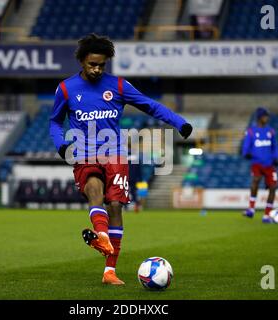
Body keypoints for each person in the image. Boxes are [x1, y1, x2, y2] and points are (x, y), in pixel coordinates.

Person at [49, 34, 193, 285]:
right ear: (82, 61)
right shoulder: (66, 89)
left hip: (115, 154)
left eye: (101, 65)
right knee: (94, 190)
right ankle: (102, 237)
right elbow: (54, 121)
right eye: (92, 64)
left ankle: (109, 271)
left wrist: (179, 123)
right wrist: (61, 145)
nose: (96, 69)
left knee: (115, 206)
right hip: (84, 153)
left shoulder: (117, 86)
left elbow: (149, 105)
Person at [242, 107, 278, 223]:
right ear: (259, 117)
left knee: (273, 187)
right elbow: (246, 145)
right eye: (264, 116)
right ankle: (251, 209)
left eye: (267, 116)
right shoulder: (251, 131)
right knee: (256, 179)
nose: (266, 118)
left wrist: (275, 158)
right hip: (257, 163)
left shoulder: (271, 131)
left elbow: (275, 146)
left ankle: (267, 215)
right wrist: (246, 153)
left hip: (269, 164)